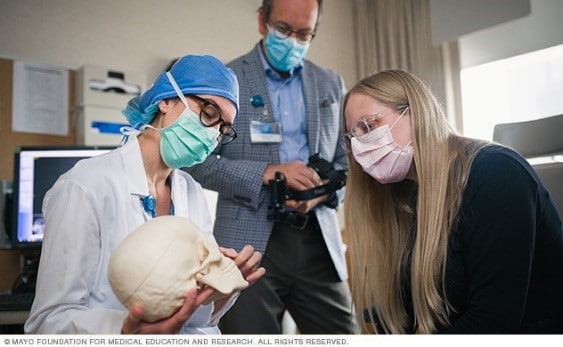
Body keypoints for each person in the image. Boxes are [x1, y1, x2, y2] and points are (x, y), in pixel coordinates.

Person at [24, 54, 265, 334]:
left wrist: (222, 288)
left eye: (223, 128)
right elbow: (48, 323)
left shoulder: (193, 194)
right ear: (166, 100)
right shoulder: (84, 187)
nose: (213, 135)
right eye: (209, 114)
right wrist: (126, 332)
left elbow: (192, 316)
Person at [342, 69, 563, 333]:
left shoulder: (496, 173)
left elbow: (492, 324)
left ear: (415, 112)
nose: (359, 146)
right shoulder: (406, 193)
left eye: (368, 126)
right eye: (352, 136)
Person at [185, 0, 357, 334]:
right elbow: (197, 161)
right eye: (284, 30)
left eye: (304, 33)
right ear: (262, 22)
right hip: (248, 241)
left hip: (318, 236)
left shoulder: (330, 84)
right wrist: (266, 174)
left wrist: (319, 195)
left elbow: (348, 163)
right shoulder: (228, 80)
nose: (293, 41)